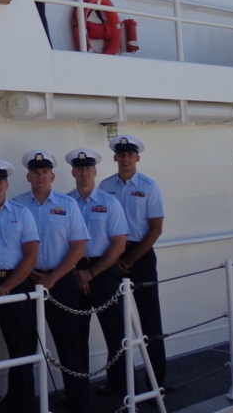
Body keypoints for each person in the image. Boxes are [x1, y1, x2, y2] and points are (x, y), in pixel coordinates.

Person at [12, 151, 90, 413]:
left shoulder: (68, 205)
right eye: (35, 172)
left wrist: (52, 278)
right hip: (27, 281)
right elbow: (13, 246)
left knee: (70, 346)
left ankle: (79, 405)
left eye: (45, 172)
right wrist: (31, 275)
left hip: (62, 281)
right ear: (28, 176)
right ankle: (24, 405)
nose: (40, 177)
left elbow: (78, 247)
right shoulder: (17, 206)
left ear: (53, 176)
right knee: (23, 346)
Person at [99, 135, 166, 391]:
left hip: (141, 256)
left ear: (137, 157)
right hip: (112, 256)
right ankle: (117, 382)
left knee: (151, 323)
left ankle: (156, 384)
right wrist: (115, 258)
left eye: (130, 154)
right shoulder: (105, 187)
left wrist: (130, 259)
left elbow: (155, 229)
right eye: (121, 154)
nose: (125, 158)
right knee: (115, 322)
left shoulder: (150, 187)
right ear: (115, 157)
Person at [66, 149, 129, 400]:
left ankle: (123, 390)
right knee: (75, 337)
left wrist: (91, 273)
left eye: (88, 169)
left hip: (103, 273)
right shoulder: (65, 203)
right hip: (72, 273)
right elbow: (60, 243)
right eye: (79, 169)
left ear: (94, 171)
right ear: (73, 172)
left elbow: (119, 244)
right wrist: (75, 272)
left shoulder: (109, 202)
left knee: (116, 334)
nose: (84, 173)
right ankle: (78, 393)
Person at [0, 160, 39, 413]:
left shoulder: (22, 213)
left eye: (0, 181)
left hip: (16, 283)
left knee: (22, 349)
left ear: (7, 184)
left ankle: (22, 404)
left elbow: (31, 255)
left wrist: (7, 287)